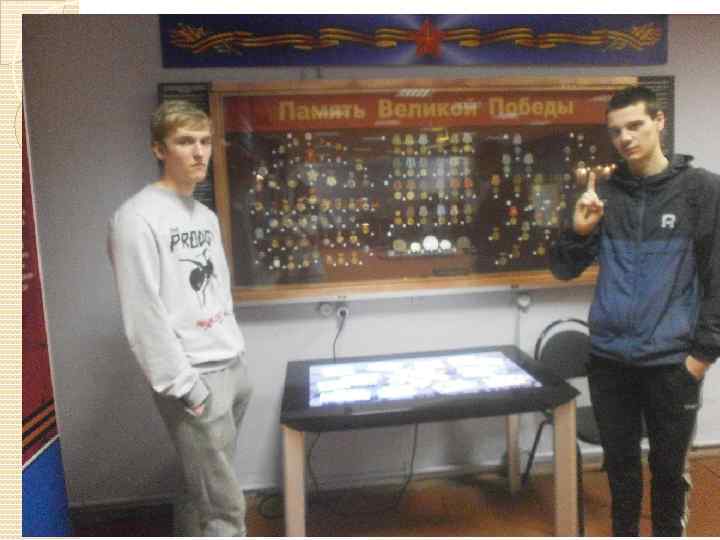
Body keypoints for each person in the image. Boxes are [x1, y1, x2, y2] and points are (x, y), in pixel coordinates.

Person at [550, 85, 720, 536]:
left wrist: (701, 357)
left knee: (668, 475)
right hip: (609, 362)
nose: (624, 138)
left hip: (672, 364)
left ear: (659, 122)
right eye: (615, 131)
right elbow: (564, 269)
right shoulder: (604, 193)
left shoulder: (701, 190)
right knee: (621, 475)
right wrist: (578, 230)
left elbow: (718, 278)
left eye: (635, 126)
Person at [108, 100, 252, 536]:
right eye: (185, 141)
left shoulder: (203, 216)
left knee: (201, 488)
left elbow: (217, 291)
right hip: (194, 376)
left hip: (231, 366)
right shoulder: (135, 218)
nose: (199, 152)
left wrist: (237, 355)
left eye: (205, 141)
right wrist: (184, 386)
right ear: (159, 149)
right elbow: (142, 312)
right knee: (226, 510)